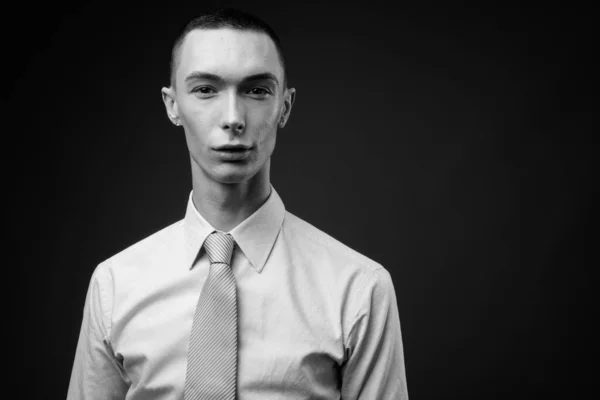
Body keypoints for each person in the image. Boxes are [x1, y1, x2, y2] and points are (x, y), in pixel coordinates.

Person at [67, 7, 409, 400]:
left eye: (257, 90)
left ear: (285, 106)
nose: (233, 118)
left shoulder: (359, 289)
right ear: (172, 104)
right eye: (206, 89)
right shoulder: (114, 285)